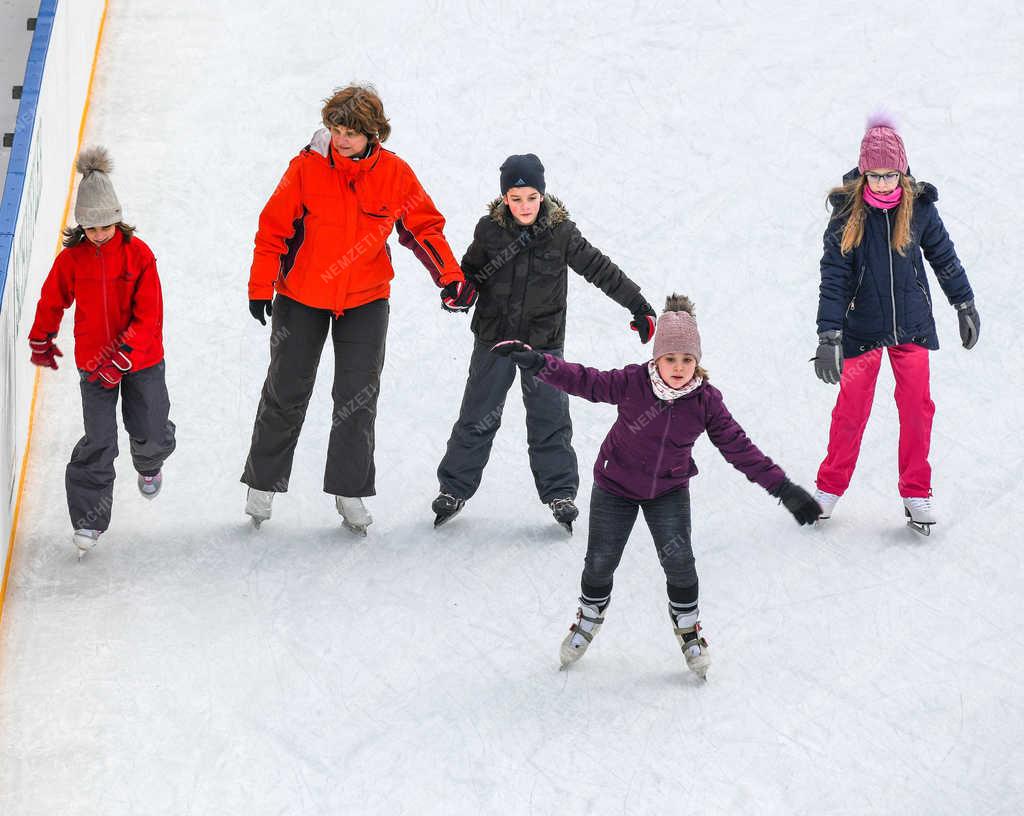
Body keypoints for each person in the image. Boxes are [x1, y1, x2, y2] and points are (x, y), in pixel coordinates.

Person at [492, 295, 820, 679]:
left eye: (687, 360)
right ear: (656, 359)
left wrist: (784, 489)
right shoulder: (633, 382)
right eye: (670, 359)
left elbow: (739, 449)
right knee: (600, 561)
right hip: (615, 486)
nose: (678, 368)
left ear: (697, 361)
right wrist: (540, 363)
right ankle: (589, 616)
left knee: (680, 563)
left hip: (667, 491)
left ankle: (689, 629)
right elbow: (585, 381)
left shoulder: (705, 402)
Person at [242, 84, 476, 534]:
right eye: (335, 129)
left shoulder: (394, 174)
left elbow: (423, 228)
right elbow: (272, 228)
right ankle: (262, 483)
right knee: (285, 390)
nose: (341, 138)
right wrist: (259, 284)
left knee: (357, 399)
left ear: (373, 134)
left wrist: (449, 277)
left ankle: (349, 491)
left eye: (351, 131)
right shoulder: (306, 168)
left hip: (366, 300)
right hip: (302, 296)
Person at [432, 153, 657, 532]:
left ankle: (559, 493)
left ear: (543, 196)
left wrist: (638, 305)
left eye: (531, 197)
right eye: (516, 198)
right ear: (505, 198)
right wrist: (459, 292)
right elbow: (470, 273)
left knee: (549, 419)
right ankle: (453, 489)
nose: (524, 206)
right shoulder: (489, 230)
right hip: (493, 338)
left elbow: (600, 269)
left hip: (543, 344)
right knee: (477, 416)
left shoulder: (561, 233)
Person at [811, 115, 979, 535]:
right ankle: (829, 489)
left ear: (903, 172)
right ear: (863, 172)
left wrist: (964, 302)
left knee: (917, 409)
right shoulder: (848, 214)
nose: (883, 182)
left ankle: (916, 491)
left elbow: (944, 257)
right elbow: (834, 277)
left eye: (890, 175)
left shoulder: (919, 208)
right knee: (851, 410)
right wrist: (829, 334)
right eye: (875, 174)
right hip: (863, 327)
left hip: (913, 325)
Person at [28, 146, 175, 556]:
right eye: (91, 228)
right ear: (81, 227)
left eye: (106, 225)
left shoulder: (139, 255)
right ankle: (89, 520)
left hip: (141, 360)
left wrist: (123, 356)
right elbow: (51, 300)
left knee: (149, 428)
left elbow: (150, 316)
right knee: (100, 439)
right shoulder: (72, 260)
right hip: (93, 365)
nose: (99, 233)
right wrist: (43, 337)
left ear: (117, 218)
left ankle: (150, 463)